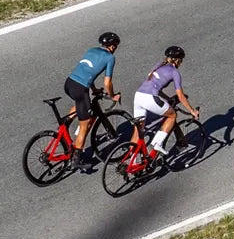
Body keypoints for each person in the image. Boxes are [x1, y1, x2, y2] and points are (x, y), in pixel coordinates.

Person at [64, 31, 122, 168]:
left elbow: (88, 71)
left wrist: (94, 89)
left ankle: (65, 124)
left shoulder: (91, 50)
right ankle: (77, 159)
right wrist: (112, 95)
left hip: (69, 83)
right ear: (112, 46)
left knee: (81, 105)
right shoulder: (110, 58)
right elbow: (107, 82)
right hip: (80, 88)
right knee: (85, 124)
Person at [132, 45, 199, 155]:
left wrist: (167, 99)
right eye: (181, 60)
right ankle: (157, 143)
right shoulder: (174, 72)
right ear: (177, 60)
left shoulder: (159, 65)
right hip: (150, 98)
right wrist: (192, 111)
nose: (181, 63)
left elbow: (153, 84)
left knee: (138, 129)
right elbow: (180, 96)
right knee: (172, 115)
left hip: (138, 96)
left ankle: (130, 160)